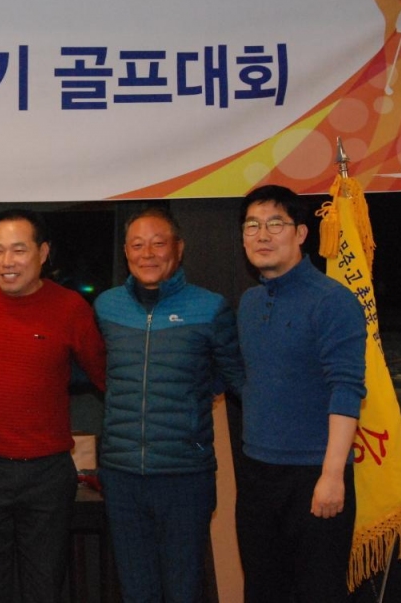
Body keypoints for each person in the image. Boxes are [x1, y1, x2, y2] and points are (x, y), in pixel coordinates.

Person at [0, 209, 107, 603]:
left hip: (47, 474)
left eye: (18, 250)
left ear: (43, 253)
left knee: (44, 587)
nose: (7, 261)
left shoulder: (71, 308)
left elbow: (108, 377)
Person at [93, 207, 244, 603]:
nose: (147, 254)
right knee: (136, 591)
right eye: (137, 245)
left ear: (178, 248)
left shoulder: (210, 308)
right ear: (126, 252)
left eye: (158, 244)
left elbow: (235, 376)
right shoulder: (107, 306)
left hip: (185, 476)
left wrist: (193, 392)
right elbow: (98, 369)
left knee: (183, 589)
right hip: (122, 475)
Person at [236, 185, 367, 602]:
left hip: (314, 475)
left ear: (301, 234)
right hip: (256, 474)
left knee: (318, 593)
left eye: (275, 224)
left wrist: (332, 475)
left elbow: (346, 388)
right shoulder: (249, 303)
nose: (262, 235)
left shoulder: (333, 301)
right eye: (252, 225)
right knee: (262, 591)